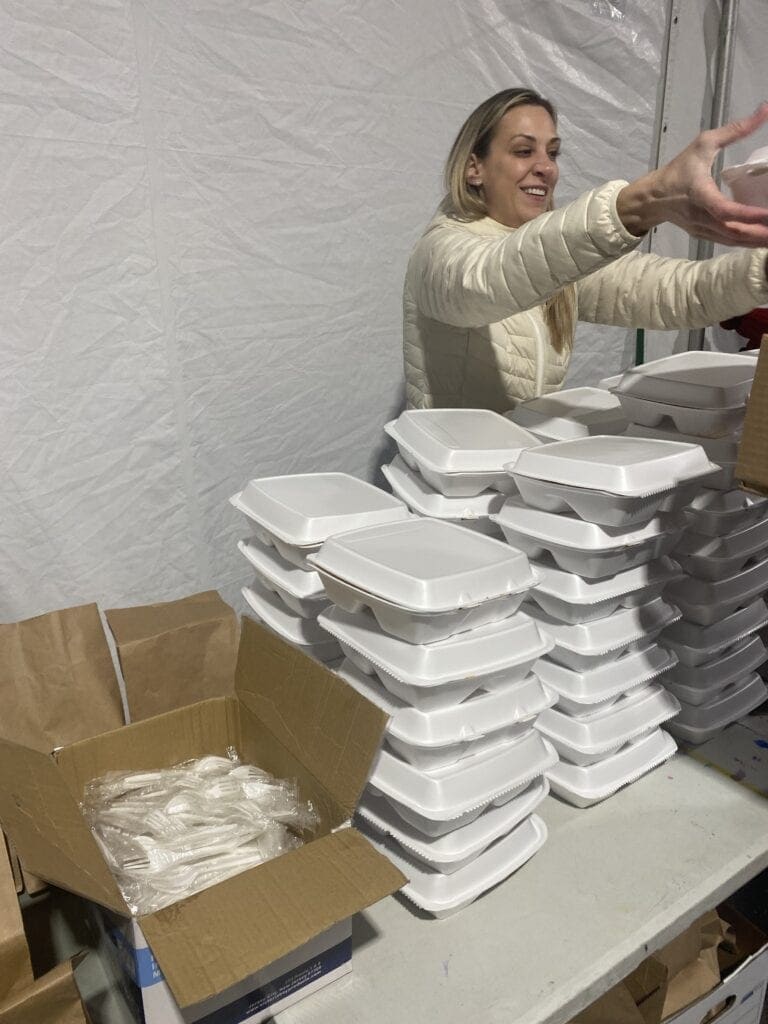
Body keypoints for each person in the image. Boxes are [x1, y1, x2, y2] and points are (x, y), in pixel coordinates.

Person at [403, 88, 768, 412]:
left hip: (516, 474)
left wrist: (761, 270)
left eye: (553, 152)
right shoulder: (440, 250)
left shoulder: (555, 255)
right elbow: (485, 282)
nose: (546, 167)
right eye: (523, 151)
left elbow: (677, 293)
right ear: (474, 169)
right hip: (445, 483)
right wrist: (640, 203)